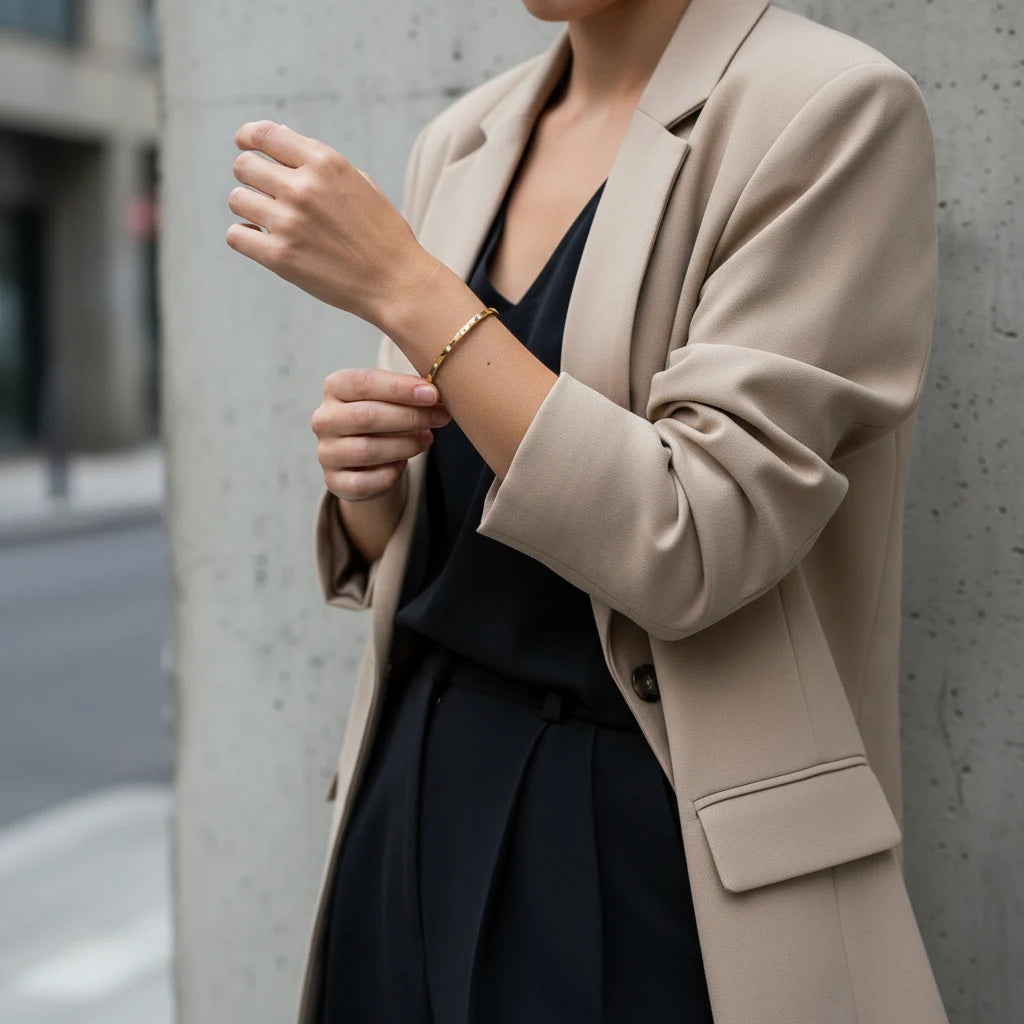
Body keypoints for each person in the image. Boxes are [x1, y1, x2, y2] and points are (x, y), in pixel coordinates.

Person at [225, 1, 948, 1022]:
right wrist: (372, 495)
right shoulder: (465, 137)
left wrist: (405, 284)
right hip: (410, 797)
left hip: (635, 832)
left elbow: (697, 537)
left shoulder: (826, 111)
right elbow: (437, 544)